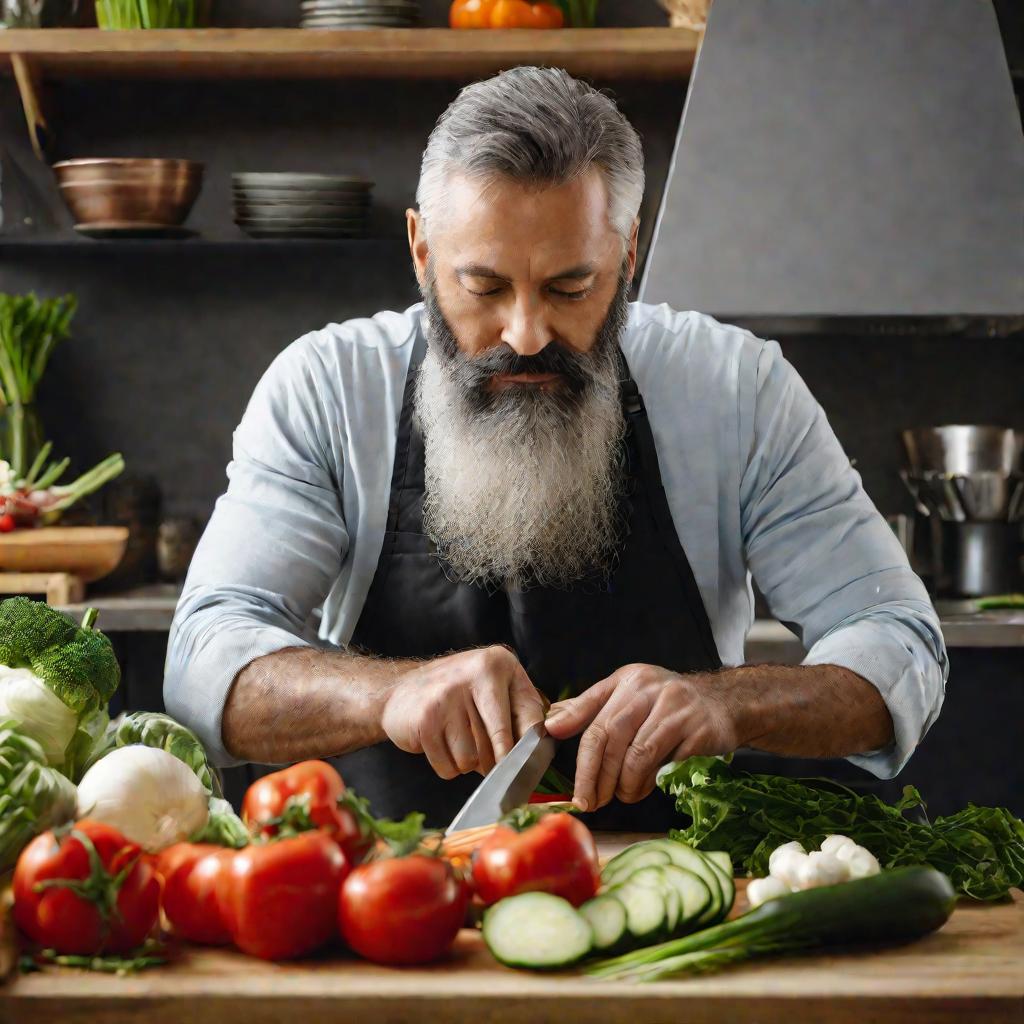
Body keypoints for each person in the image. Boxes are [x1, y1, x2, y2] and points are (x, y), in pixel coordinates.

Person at [165, 66, 947, 829]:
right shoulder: (328, 387)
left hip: (668, 901)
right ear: (421, 252)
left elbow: (899, 644)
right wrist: (388, 695)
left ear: (628, 254)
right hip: (390, 906)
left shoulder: (736, 387)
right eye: (485, 287)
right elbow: (205, 660)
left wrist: (727, 701)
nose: (527, 334)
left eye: (571, 288)